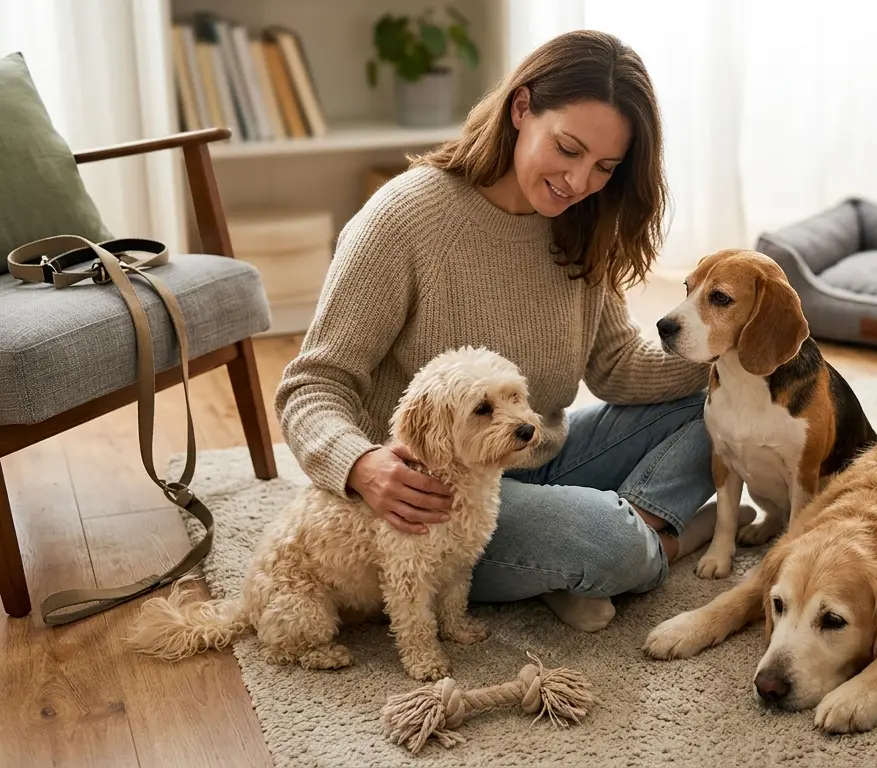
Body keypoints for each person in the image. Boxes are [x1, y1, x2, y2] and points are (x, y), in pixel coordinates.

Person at [274, 30, 725, 633]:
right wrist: (360, 465)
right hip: (439, 503)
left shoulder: (582, 222)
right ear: (521, 108)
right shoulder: (404, 219)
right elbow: (312, 384)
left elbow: (617, 365)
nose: (579, 181)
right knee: (609, 540)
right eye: (567, 149)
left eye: (604, 167)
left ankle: (586, 556)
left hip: (537, 452)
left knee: (721, 406)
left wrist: (729, 347)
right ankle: (647, 543)